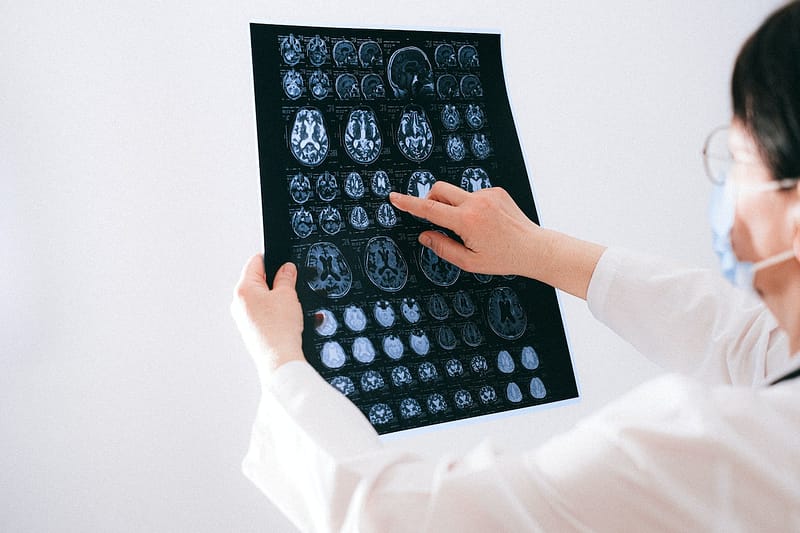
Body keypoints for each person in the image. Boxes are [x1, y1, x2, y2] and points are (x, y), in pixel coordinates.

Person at [231, 3, 800, 531]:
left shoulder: (719, 452)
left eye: (738, 157)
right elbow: (745, 340)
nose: (725, 184)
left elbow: (400, 518)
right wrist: (536, 251)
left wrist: (282, 364)